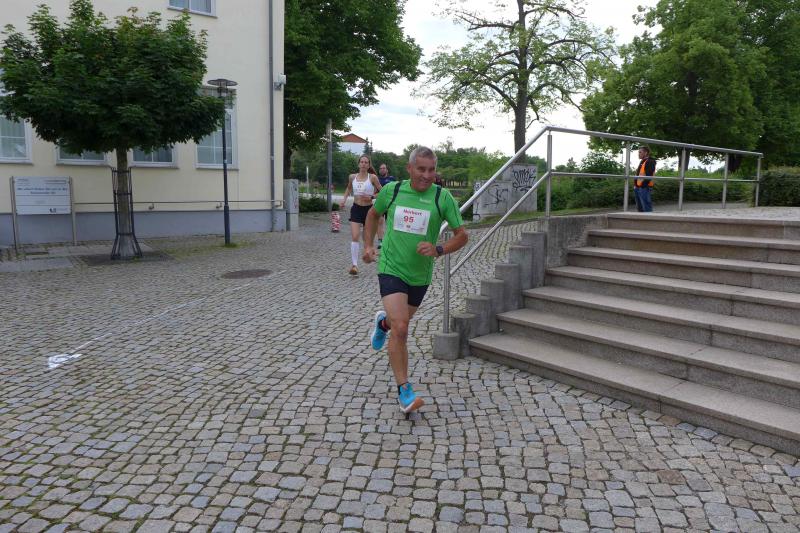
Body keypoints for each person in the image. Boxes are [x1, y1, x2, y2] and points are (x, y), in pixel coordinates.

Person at [362, 146, 468, 413]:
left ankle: (382, 323)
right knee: (401, 328)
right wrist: (368, 245)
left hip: (420, 275)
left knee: (397, 322)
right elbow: (373, 215)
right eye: (421, 169)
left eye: (431, 170)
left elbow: (462, 236)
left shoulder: (442, 197)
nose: (426, 175)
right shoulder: (393, 191)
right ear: (409, 168)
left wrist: (439, 249)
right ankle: (405, 391)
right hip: (391, 267)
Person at [341, 155, 382, 275]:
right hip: (356, 208)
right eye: (362, 162)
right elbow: (348, 189)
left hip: (369, 210)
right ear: (358, 164)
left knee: (366, 239)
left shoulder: (372, 177)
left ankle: (370, 253)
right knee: (355, 236)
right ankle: (354, 265)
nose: (363, 164)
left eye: (366, 162)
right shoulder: (352, 177)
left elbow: (382, 191)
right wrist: (344, 200)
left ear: (369, 165)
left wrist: (372, 196)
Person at [376, 163, 396, 248]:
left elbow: (396, 190)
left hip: (390, 204)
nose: (382, 170)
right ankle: (380, 241)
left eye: (384, 168)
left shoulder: (392, 179)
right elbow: (375, 191)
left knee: (389, 222)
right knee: (379, 221)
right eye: (380, 168)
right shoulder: (377, 179)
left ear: (387, 170)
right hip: (380, 203)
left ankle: (389, 240)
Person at [634, 146, 656, 212]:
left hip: (644, 187)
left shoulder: (650, 161)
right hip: (639, 187)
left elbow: (649, 176)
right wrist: (636, 185)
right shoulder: (643, 161)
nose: (638, 154)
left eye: (640, 152)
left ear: (646, 153)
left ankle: (649, 218)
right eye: (638, 152)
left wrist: (642, 186)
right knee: (640, 209)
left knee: (646, 208)